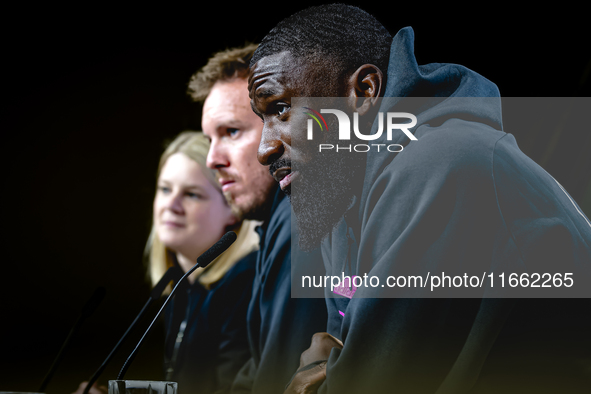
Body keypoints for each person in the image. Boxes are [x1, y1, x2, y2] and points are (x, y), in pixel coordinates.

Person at [249, 4, 591, 393]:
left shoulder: (444, 162)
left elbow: (360, 380)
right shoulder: (342, 194)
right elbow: (341, 355)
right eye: (262, 119)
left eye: (280, 109)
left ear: (363, 92)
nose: (264, 149)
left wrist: (330, 369)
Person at [188, 44, 328, 394]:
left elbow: (275, 380)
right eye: (209, 139)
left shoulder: (298, 219)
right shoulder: (279, 223)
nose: (212, 159)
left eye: (231, 132)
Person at [73, 131, 259, 394]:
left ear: (233, 208)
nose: (171, 204)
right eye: (165, 189)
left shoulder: (244, 284)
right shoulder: (181, 290)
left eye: (192, 194)